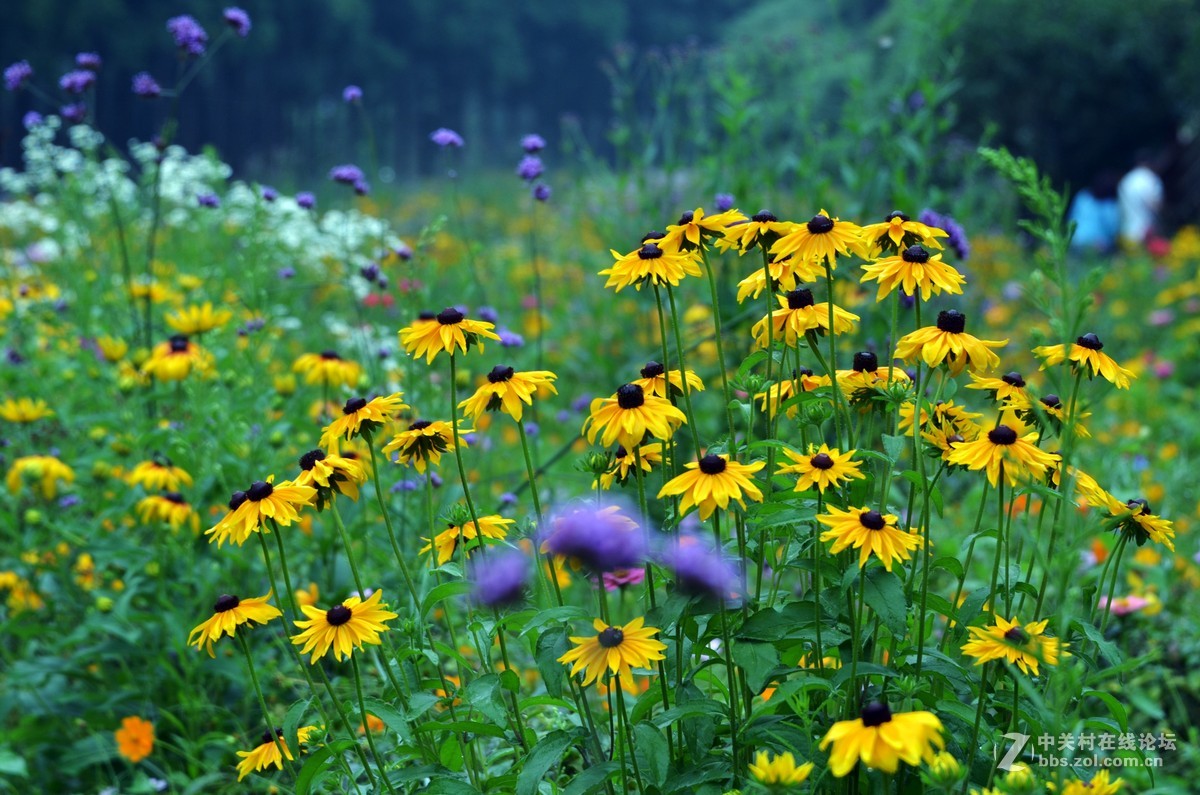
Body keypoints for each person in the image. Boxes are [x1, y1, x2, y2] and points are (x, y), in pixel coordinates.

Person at [1117, 151, 1164, 248]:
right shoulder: (1151, 179)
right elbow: (1156, 205)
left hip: (1128, 232)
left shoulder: (1126, 180)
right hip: (1147, 232)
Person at [1068, 172, 1120, 253]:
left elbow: (1071, 219)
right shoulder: (1083, 197)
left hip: (1080, 242)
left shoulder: (1082, 197)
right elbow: (1113, 230)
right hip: (1086, 244)